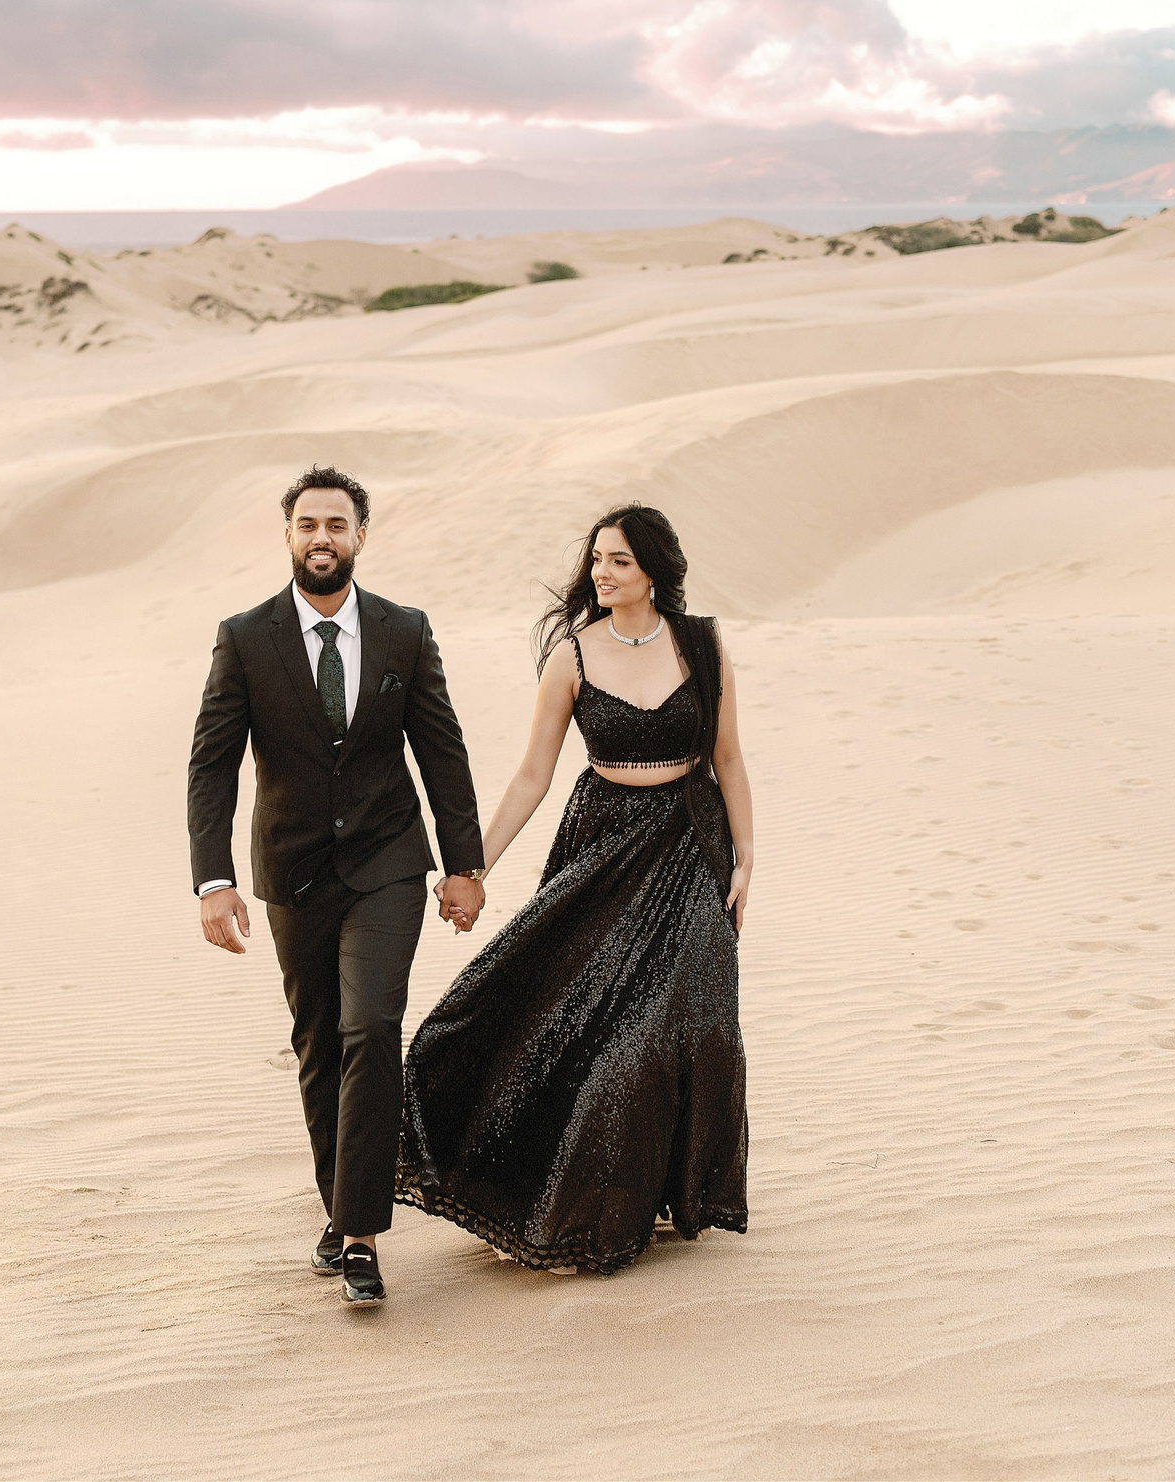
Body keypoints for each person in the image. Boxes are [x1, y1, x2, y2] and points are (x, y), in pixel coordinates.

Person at [396, 502, 753, 1275]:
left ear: (654, 569)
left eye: (619, 560)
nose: (602, 572)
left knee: (681, 1027)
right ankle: (568, 1207)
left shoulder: (704, 643)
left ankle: (650, 1197)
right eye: (597, 560)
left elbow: (728, 759)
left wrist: (747, 856)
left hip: (691, 844)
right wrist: (473, 866)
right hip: (602, 847)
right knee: (578, 1026)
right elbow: (532, 776)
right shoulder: (572, 657)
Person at [187, 465, 487, 1309]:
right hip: (293, 871)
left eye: (338, 525)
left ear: (361, 537)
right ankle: (340, 1206)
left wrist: (464, 865)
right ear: (289, 536)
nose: (323, 538)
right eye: (308, 525)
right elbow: (212, 764)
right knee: (319, 1044)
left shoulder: (403, 631)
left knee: (371, 1028)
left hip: (390, 862)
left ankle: (360, 1238)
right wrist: (213, 879)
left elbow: (443, 750)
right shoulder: (245, 638)